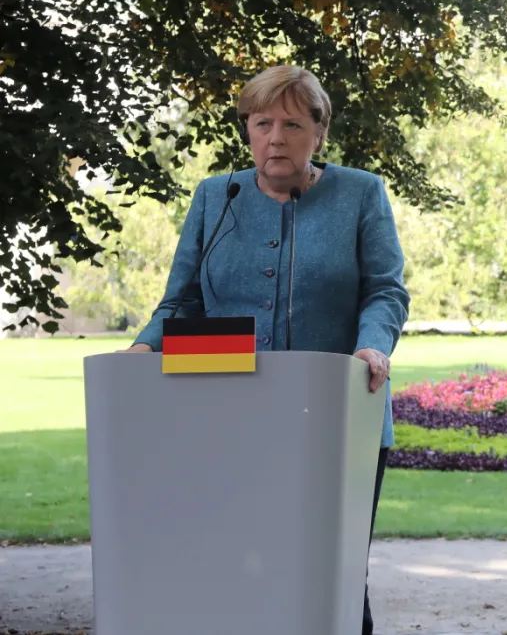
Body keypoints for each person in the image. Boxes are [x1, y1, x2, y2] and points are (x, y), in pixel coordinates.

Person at [123, 64, 408, 635]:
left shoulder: (361, 193)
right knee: (238, 570)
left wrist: (373, 347)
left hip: (337, 417)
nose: (276, 138)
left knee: (333, 576)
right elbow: (181, 301)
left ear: (319, 133)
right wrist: (142, 349)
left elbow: (385, 291)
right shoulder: (216, 196)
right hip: (227, 416)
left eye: (293, 124)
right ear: (248, 131)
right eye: (262, 124)